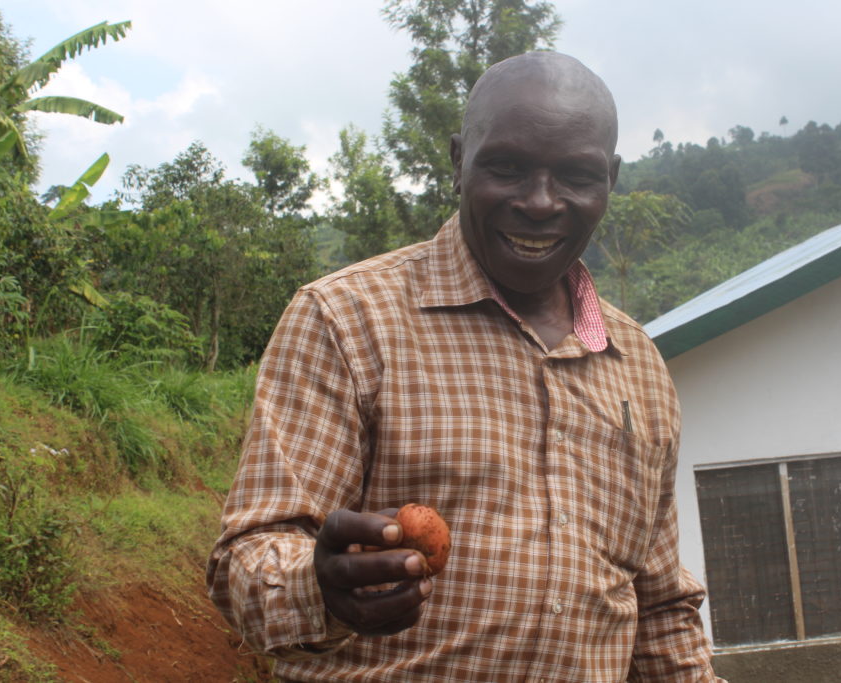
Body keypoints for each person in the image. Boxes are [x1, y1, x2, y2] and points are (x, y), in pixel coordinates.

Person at [207, 51, 722, 682]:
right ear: (458, 163)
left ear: (609, 180)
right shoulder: (346, 320)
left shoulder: (637, 362)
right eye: (506, 167)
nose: (540, 202)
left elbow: (660, 607)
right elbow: (245, 563)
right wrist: (321, 585)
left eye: (577, 176)